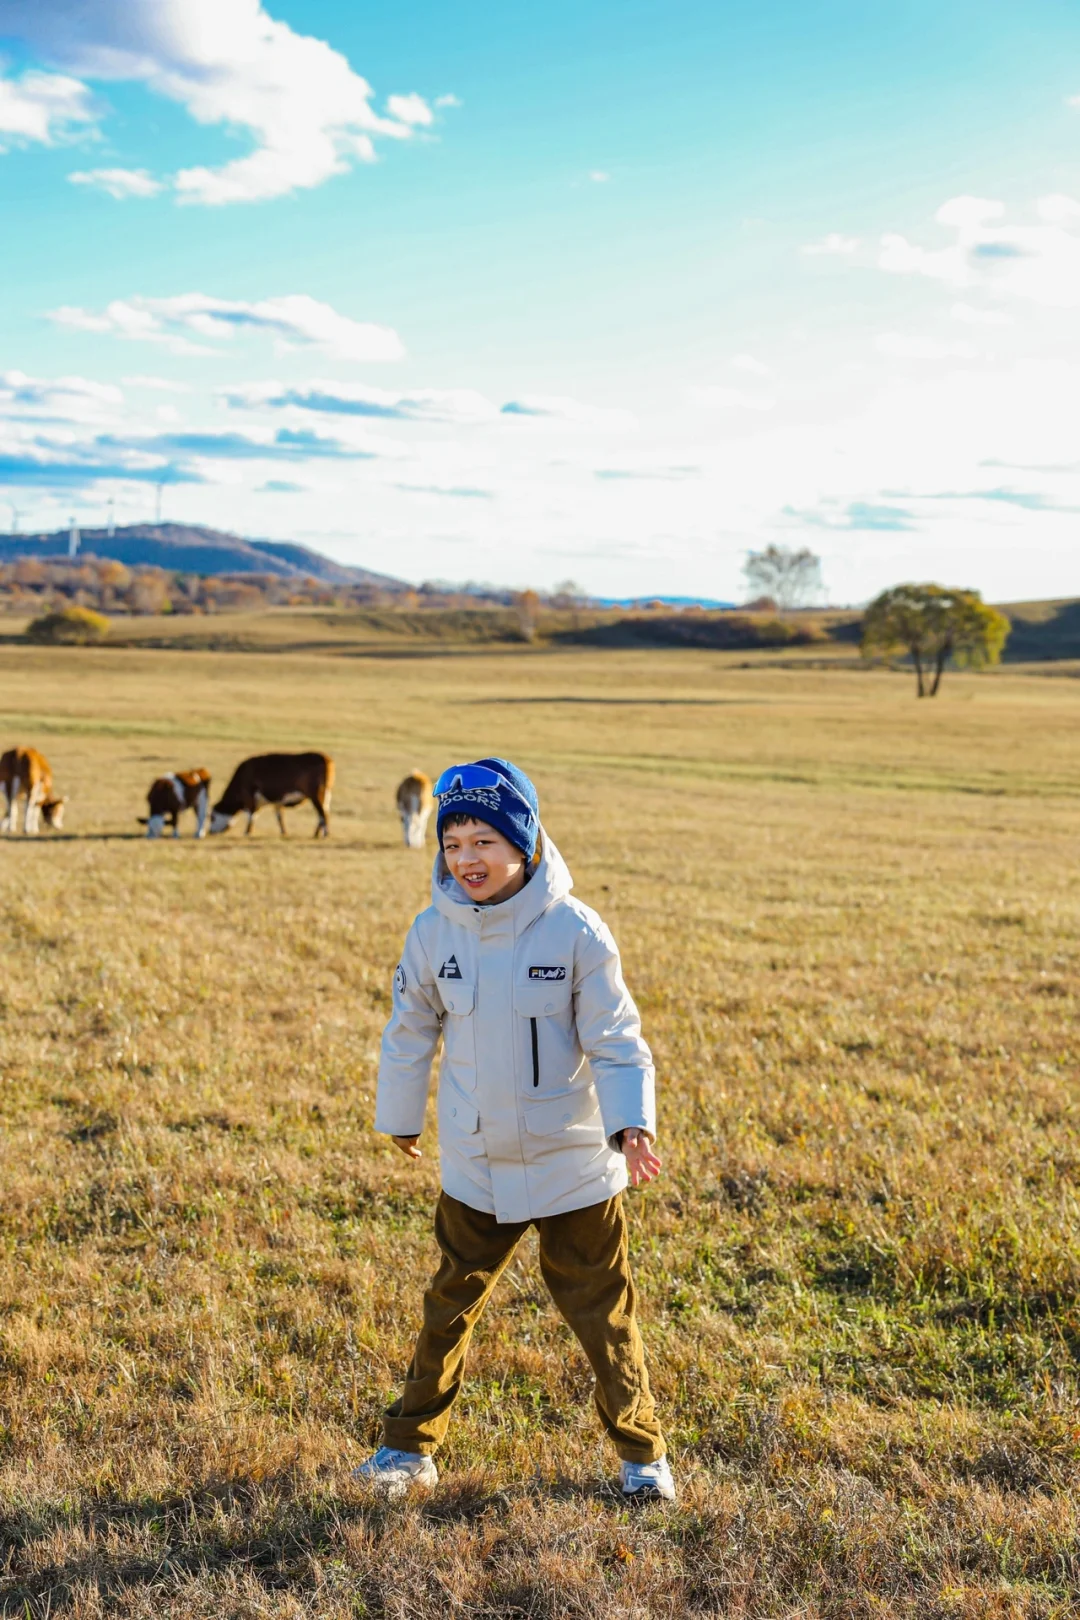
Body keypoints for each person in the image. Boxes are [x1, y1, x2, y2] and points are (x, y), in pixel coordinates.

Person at [354, 758, 675, 1502]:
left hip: (575, 1168)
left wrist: (632, 1123)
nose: (467, 858)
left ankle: (643, 1457)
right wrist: (400, 1115)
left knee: (604, 1318)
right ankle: (407, 1451)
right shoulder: (433, 934)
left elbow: (617, 1039)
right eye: (454, 842)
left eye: (485, 841)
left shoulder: (575, 931)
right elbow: (410, 1031)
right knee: (448, 1306)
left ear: (524, 845)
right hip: (476, 1163)